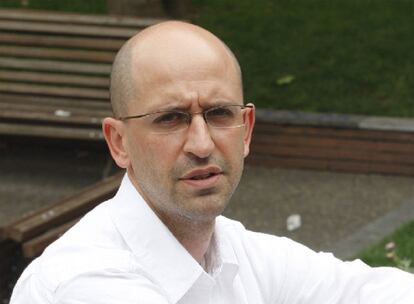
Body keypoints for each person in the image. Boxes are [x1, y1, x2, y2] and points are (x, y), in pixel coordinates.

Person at [10, 21, 414, 304]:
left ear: (246, 128)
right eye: (171, 118)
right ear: (119, 143)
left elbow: (370, 292)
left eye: (220, 113)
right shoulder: (85, 283)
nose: (201, 144)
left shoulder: (233, 251)